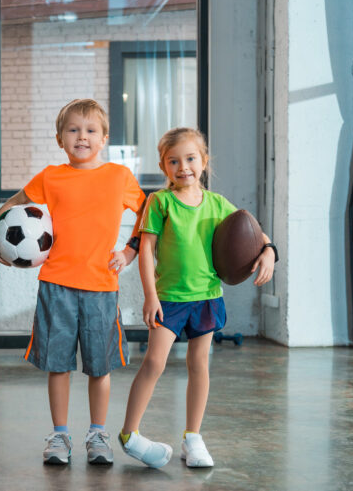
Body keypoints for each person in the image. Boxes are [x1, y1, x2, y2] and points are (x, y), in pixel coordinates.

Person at [0, 99, 146, 465]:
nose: (81, 137)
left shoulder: (119, 177)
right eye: (73, 130)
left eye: (90, 131)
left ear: (104, 138)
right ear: (59, 138)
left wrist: (129, 252)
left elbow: (149, 214)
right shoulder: (50, 177)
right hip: (56, 285)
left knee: (99, 366)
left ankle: (97, 433)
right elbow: (15, 203)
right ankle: (59, 436)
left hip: (102, 287)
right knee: (58, 365)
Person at [118, 127, 277, 469]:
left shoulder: (218, 204)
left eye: (190, 158)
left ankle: (193, 437)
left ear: (203, 161)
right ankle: (129, 433)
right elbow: (145, 252)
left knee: (199, 365)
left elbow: (255, 231)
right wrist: (150, 296)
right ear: (164, 167)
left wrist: (269, 251)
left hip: (207, 297)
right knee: (155, 363)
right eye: (173, 161)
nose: (183, 167)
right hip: (169, 299)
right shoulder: (160, 202)